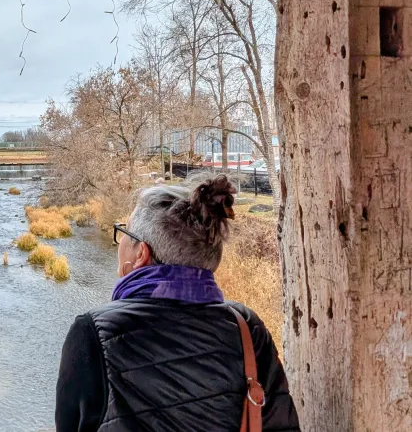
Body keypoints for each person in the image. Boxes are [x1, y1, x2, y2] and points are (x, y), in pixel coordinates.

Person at [55, 174, 300, 432]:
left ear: (141, 254)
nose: (120, 242)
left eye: (124, 232)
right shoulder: (246, 326)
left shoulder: (93, 332)